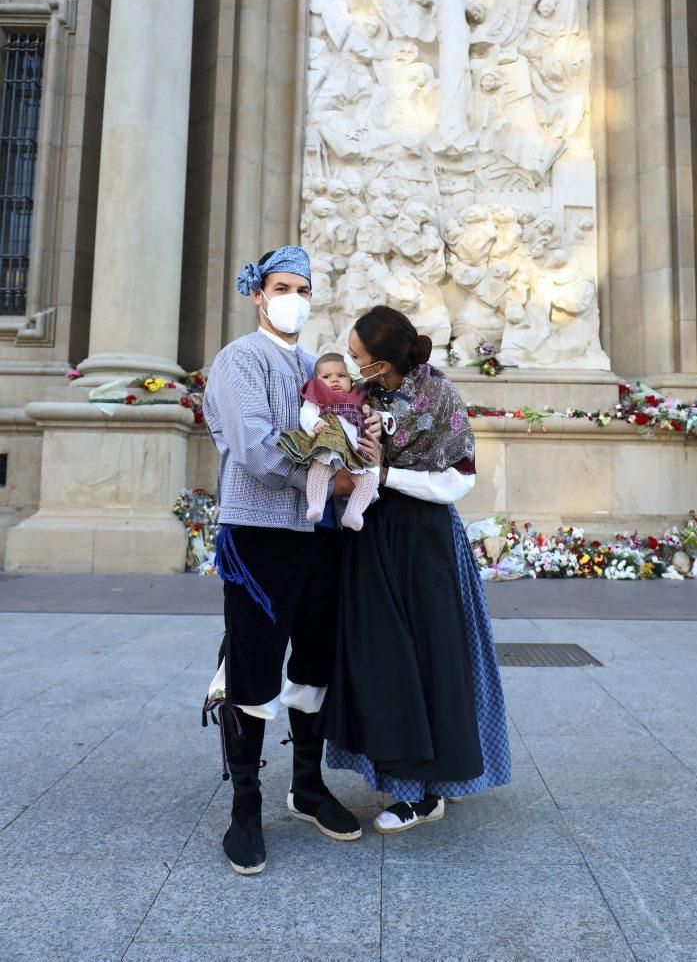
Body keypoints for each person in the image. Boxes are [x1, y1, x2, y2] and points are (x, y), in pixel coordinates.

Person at [201, 245, 382, 875]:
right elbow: (252, 447)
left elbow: (348, 430)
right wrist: (324, 481)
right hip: (258, 533)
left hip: (321, 534)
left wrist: (365, 450)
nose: (294, 299)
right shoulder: (238, 360)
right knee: (253, 665)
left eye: (304, 289)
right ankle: (245, 806)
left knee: (315, 662)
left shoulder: (317, 365)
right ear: (258, 293)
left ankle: (306, 785)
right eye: (283, 287)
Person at [321, 305, 511, 833]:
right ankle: (399, 777)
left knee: (430, 657)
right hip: (372, 536)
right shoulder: (363, 398)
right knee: (382, 658)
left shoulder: (438, 395)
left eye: (358, 357)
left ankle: (427, 791)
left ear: (382, 360)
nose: (352, 364)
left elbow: (458, 479)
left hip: (425, 541)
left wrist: (386, 475)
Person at [278, 351, 380, 531]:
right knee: (320, 467)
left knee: (370, 478)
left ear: (351, 379)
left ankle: (354, 512)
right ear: (317, 380)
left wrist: (374, 414)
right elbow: (307, 412)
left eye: (341, 376)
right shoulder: (318, 396)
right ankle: (316, 504)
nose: (334, 380)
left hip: (355, 449)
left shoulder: (359, 397)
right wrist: (314, 422)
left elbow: (373, 414)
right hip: (330, 444)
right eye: (327, 376)